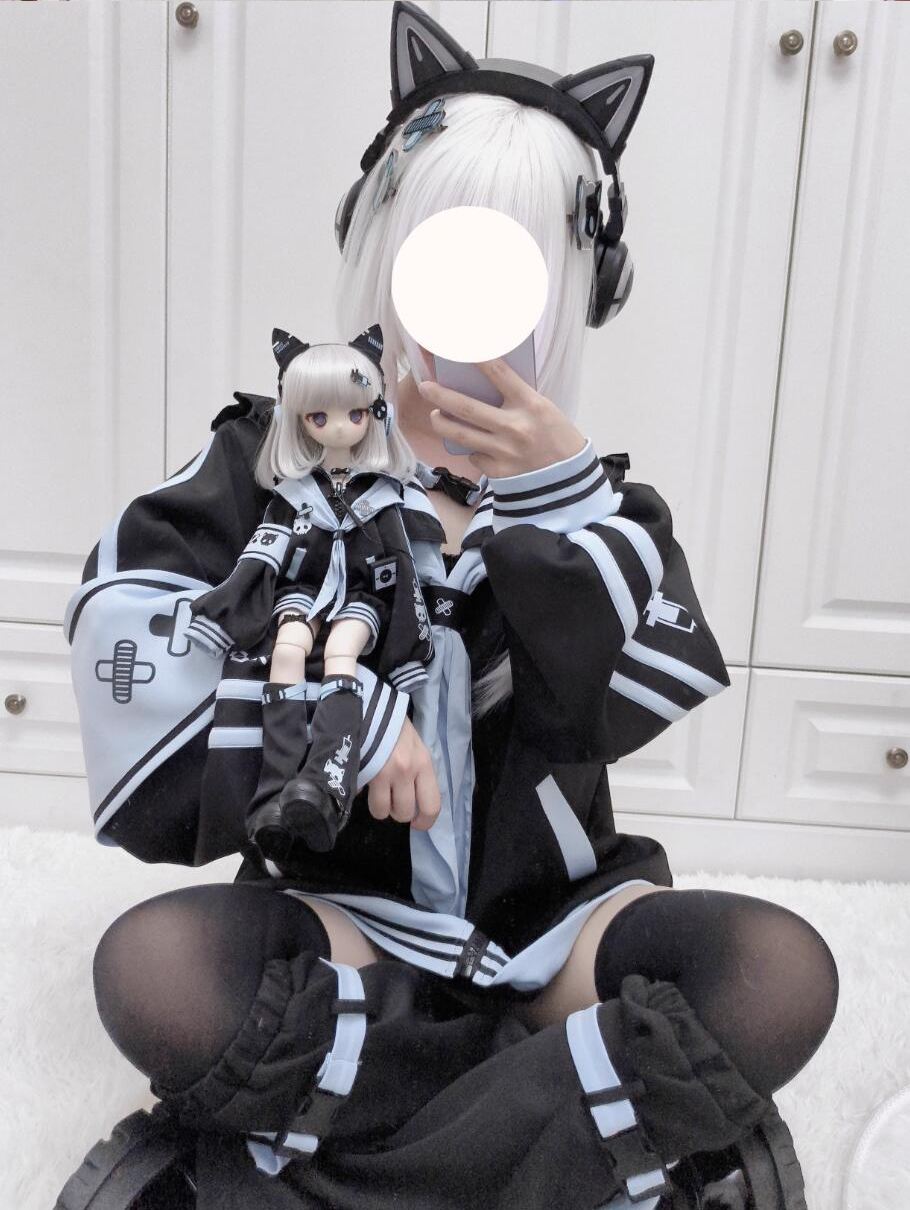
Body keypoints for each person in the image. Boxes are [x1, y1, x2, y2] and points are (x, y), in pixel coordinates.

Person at [58, 5, 838, 1209]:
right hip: (345, 919)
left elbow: (615, 705)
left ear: (574, 288)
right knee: (153, 969)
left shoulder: (594, 500)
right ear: (381, 249)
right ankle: (569, 1123)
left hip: (555, 930)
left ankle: (348, 1132)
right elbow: (129, 632)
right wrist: (341, 719)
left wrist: (560, 503)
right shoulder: (271, 464)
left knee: (776, 972)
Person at [185, 324, 437, 855]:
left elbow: (401, 563)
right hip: (304, 590)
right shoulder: (295, 492)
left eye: (355, 413)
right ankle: (275, 790)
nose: (339, 426)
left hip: (362, 598)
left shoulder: (384, 493)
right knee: (286, 652)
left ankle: (328, 781)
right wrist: (229, 604)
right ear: (298, 419)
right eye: (319, 417)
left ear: (374, 414)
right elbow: (264, 552)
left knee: (343, 653)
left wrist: (407, 630)